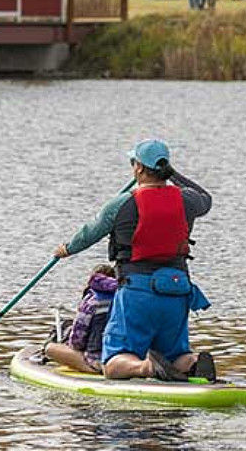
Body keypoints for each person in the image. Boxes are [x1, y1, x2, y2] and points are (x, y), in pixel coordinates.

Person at [53, 139, 216, 382]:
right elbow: (206, 197)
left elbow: (90, 232)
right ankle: (192, 363)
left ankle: (147, 368)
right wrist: (173, 174)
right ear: (166, 168)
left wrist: (66, 249)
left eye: (133, 163)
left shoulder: (122, 204)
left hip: (137, 292)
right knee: (176, 355)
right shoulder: (187, 200)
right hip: (178, 289)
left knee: (113, 363)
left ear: (139, 168)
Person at [42, 265, 118, 374]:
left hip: (99, 359)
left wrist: (67, 344)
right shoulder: (124, 297)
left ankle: (95, 369)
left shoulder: (91, 302)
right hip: (124, 357)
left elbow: (77, 342)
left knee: (50, 348)